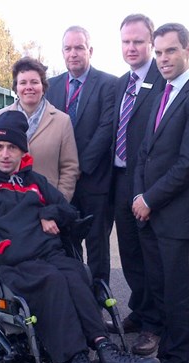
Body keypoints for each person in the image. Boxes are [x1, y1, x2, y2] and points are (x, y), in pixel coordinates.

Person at [0, 110, 159, 363]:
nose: (5, 154)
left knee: (78, 272)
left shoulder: (35, 181)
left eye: (12, 148)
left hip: (49, 255)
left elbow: (69, 210)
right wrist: (6, 248)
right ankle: (76, 359)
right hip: (13, 261)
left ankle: (104, 348)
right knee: (53, 279)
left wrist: (49, 212)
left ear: (23, 152)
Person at [132, 23, 189, 363]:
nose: (163, 59)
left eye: (170, 51)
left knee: (178, 294)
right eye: (159, 52)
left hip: (176, 215)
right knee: (160, 287)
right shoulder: (160, 92)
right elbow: (143, 151)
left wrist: (149, 199)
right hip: (151, 214)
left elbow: (188, 165)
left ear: (188, 49)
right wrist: (139, 197)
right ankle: (165, 356)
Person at [107, 14, 166, 357]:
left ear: (151, 43)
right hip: (119, 179)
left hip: (146, 181)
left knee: (150, 255)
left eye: (138, 42)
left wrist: (151, 189)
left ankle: (154, 326)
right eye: (126, 42)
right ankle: (140, 310)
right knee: (129, 251)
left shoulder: (163, 82)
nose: (131, 48)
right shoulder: (121, 84)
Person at [46, 26, 117, 284]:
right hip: (59, 182)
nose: (73, 53)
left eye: (79, 48)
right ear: (62, 52)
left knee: (97, 245)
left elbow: (106, 130)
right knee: (64, 243)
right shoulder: (50, 86)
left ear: (90, 50)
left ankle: (99, 301)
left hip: (94, 180)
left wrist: (77, 168)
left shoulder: (110, 84)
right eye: (68, 48)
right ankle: (74, 298)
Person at [0, 57, 80, 201]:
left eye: (34, 82)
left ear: (43, 86)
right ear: (16, 87)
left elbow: (70, 168)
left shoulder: (62, 121)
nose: (29, 87)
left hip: (47, 204)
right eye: (23, 82)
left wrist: (59, 204)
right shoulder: (0, 116)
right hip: (8, 204)